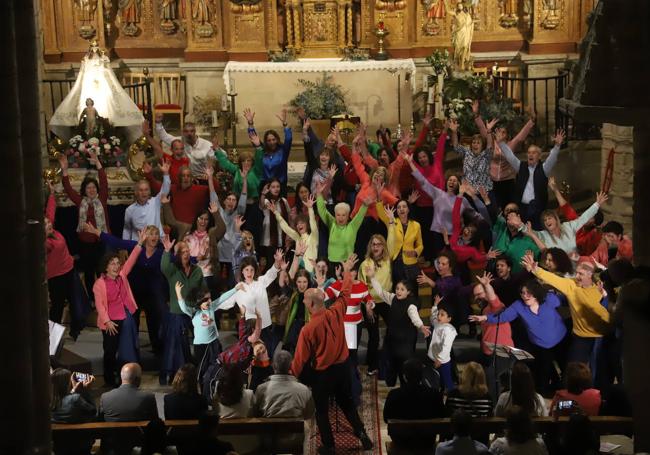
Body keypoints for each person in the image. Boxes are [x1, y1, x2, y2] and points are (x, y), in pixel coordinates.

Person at [291, 254, 374, 455]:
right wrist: (347, 271)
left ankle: (329, 445)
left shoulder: (308, 329)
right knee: (346, 403)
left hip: (324, 374)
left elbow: (300, 360)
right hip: (343, 367)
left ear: (311, 305)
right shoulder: (336, 310)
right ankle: (362, 435)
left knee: (321, 411)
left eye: (304, 301)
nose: (303, 302)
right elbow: (346, 292)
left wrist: (291, 377)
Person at [470, 279, 568, 394]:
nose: (525, 296)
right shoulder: (518, 306)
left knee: (567, 370)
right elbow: (504, 316)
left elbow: (568, 299)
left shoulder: (549, 299)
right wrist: (486, 318)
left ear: (536, 292)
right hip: (541, 346)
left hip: (562, 341)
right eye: (522, 293)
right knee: (544, 374)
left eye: (528, 293)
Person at [85, 223, 167, 356]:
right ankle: (132, 353)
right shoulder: (136, 246)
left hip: (152, 293)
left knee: (154, 321)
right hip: (134, 293)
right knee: (132, 323)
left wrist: (196, 259)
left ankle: (158, 352)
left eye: (156, 234)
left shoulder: (162, 251)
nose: (154, 236)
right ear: (145, 236)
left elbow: (176, 258)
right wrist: (97, 232)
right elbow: (117, 241)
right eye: (150, 233)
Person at [522, 254, 611, 365]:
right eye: (577, 272)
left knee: (600, 373)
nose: (577, 276)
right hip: (581, 337)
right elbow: (553, 279)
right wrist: (535, 269)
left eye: (581, 274)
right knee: (573, 369)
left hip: (601, 337)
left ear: (590, 276)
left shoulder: (601, 288)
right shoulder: (571, 285)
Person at [93, 232, 146, 387]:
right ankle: (109, 380)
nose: (116, 266)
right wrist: (107, 321)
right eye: (113, 264)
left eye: (117, 263)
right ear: (106, 267)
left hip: (124, 317)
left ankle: (124, 378)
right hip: (110, 321)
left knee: (124, 349)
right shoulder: (99, 284)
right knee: (110, 351)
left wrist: (140, 244)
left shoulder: (122, 275)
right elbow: (100, 306)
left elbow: (131, 261)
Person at [365, 266, 430, 386]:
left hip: (405, 340)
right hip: (392, 338)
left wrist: (421, 326)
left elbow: (415, 317)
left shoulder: (411, 305)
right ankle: (390, 382)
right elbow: (380, 292)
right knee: (391, 361)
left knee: (404, 364)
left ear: (408, 292)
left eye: (402, 289)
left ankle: (406, 384)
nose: (399, 291)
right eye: (397, 288)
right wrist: (372, 277)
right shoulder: (393, 298)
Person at [58, 151, 110, 297]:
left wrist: (98, 163)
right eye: (88, 188)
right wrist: (65, 170)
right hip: (86, 243)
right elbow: (68, 188)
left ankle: (104, 297)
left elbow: (104, 181)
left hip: (101, 241)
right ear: (84, 191)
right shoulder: (81, 202)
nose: (92, 190)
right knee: (89, 272)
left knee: (102, 272)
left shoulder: (102, 199)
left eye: (94, 187)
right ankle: (92, 298)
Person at [45, 184, 89, 340]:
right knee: (57, 306)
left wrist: (51, 194)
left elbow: (50, 211)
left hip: (69, 271)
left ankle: (75, 331)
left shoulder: (52, 230)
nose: (49, 224)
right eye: (46, 225)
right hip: (56, 277)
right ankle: (51, 338)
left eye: (49, 223)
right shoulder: (45, 243)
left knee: (77, 301)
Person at [497, 129, 566, 229]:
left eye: (534, 153)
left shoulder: (544, 168)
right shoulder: (521, 166)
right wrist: (501, 143)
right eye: (529, 152)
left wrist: (557, 146)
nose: (530, 155)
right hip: (521, 208)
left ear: (539, 156)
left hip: (537, 209)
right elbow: (510, 156)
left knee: (536, 234)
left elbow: (552, 158)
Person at [174, 281, 241, 384]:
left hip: (214, 342)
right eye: (206, 299)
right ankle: (201, 388)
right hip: (201, 346)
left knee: (218, 365)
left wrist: (236, 289)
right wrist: (178, 292)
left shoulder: (212, 307)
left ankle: (216, 385)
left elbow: (222, 298)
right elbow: (183, 307)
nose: (209, 301)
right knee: (202, 369)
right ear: (198, 301)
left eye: (210, 298)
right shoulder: (194, 312)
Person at [473, 101, 535, 208]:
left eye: (504, 132)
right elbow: (483, 131)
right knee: (495, 206)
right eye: (499, 131)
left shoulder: (511, 145)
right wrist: (476, 115)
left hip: (508, 181)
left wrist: (532, 120)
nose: (501, 134)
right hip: (493, 181)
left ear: (507, 135)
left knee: (510, 206)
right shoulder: (491, 142)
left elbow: (522, 134)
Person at [160, 236, 205, 385]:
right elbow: (164, 267)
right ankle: (178, 373)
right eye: (182, 251)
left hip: (194, 312)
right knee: (178, 336)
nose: (186, 253)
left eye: (187, 251)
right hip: (178, 313)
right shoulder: (172, 270)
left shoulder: (197, 270)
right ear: (177, 255)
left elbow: (200, 290)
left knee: (206, 336)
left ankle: (200, 369)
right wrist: (166, 251)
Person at [162, 197, 226, 298]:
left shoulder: (212, 233)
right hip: (188, 274)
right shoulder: (185, 229)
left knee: (206, 304)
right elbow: (171, 221)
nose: (203, 221)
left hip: (207, 274)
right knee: (190, 303)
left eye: (206, 219)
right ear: (196, 219)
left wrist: (216, 213)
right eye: (200, 218)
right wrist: (166, 204)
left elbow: (222, 228)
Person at [383, 358, 446, 451]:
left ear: (404, 376)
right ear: (422, 375)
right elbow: (442, 415)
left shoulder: (394, 394)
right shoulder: (434, 394)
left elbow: (386, 418)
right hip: (427, 441)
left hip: (401, 441)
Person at [523, 192, 607, 255]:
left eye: (549, 218)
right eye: (545, 220)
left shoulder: (591, 235)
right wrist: (555, 190)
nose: (547, 221)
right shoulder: (571, 224)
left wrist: (597, 204)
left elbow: (584, 218)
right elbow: (567, 209)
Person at [146, 162, 219, 230]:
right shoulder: (173, 188)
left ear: (191, 178)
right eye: (183, 176)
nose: (186, 178)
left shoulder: (199, 190)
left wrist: (210, 177)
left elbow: (215, 190)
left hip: (193, 230)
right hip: (175, 229)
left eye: (188, 176)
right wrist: (149, 175)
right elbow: (158, 189)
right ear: (179, 178)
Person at [357, 234, 392, 376]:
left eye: (379, 244)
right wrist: (367, 305)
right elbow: (361, 287)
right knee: (374, 336)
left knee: (394, 329)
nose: (376, 247)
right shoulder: (365, 264)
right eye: (373, 244)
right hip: (370, 303)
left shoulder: (389, 261)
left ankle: (386, 359)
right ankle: (372, 366)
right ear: (370, 247)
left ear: (383, 246)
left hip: (386, 301)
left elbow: (393, 241)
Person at [254, 349, 315, 419]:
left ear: (273, 366)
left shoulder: (261, 389)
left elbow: (255, 413)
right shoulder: (304, 390)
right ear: (290, 366)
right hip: (295, 429)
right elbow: (309, 414)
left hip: (268, 429)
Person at [50, 369, 96, 455]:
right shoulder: (75, 399)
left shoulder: (49, 401)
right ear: (67, 383)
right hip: (80, 446)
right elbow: (93, 411)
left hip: (59, 446)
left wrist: (73, 390)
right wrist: (87, 391)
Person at [244, 107, 293, 189]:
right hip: (264, 186)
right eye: (269, 140)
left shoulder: (283, 151)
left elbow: (288, 138)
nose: (271, 142)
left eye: (273, 139)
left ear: (277, 139)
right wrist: (250, 123)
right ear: (266, 142)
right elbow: (253, 137)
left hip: (280, 186)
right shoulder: (262, 151)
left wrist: (284, 124)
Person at [155, 113, 213, 180]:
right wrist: (158, 123)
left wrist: (208, 172)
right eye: (186, 131)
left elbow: (213, 159)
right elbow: (164, 136)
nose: (189, 134)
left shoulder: (206, 144)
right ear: (183, 132)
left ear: (195, 131)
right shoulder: (178, 141)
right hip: (185, 179)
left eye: (191, 131)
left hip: (203, 177)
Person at [123, 162, 171, 240]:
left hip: (156, 242)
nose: (144, 193)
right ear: (136, 192)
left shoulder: (155, 202)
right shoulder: (129, 210)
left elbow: (165, 191)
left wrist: (166, 173)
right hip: (138, 244)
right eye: (141, 190)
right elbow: (127, 230)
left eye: (146, 190)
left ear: (149, 192)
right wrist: (125, 246)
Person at [492, 204, 540, 273]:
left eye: (512, 217)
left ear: (519, 217)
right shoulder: (502, 235)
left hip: (524, 277)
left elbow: (542, 255)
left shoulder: (528, 237)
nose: (510, 219)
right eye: (508, 218)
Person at [428, 296, 457, 392]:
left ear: (449, 319)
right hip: (433, 358)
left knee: (447, 381)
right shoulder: (438, 323)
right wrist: (435, 306)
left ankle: (451, 396)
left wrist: (440, 359)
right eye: (439, 314)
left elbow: (446, 347)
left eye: (442, 315)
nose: (439, 316)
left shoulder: (449, 330)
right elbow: (432, 318)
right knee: (436, 381)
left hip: (443, 361)